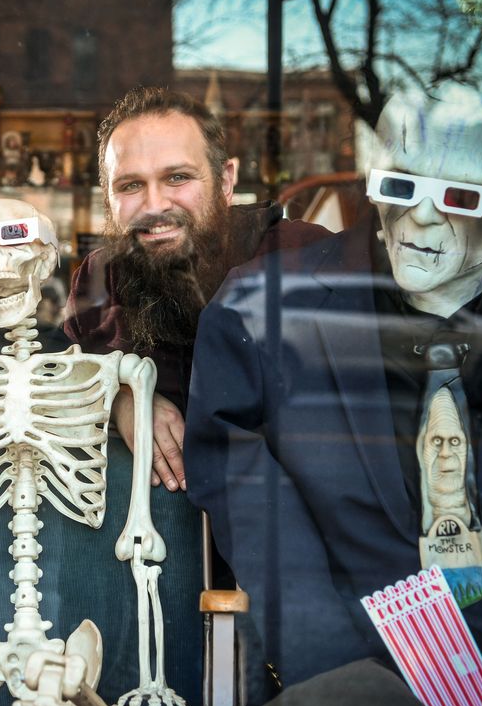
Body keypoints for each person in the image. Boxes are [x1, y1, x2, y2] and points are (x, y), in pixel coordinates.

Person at [184, 87, 482, 706]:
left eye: (461, 197)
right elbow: (244, 492)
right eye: (401, 186)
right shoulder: (262, 310)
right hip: (346, 688)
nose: (423, 219)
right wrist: (342, 686)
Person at [64, 86, 329, 492]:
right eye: (131, 185)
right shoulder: (100, 277)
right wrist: (121, 395)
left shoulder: (307, 259)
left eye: (177, 177)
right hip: (147, 545)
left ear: (225, 181)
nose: (155, 204)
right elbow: (59, 377)